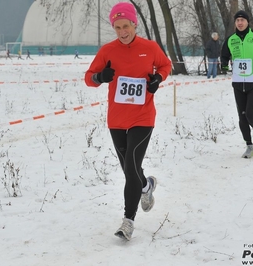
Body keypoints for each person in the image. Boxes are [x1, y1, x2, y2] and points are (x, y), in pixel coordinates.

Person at [84, 2, 172, 241]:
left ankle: (128, 221)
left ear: (135, 24)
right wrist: (100, 77)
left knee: (132, 164)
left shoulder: (149, 47)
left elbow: (166, 65)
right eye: (117, 27)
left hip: (143, 117)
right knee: (128, 169)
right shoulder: (107, 51)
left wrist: (157, 79)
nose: (123, 31)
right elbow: (88, 79)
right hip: (117, 119)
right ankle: (146, 186)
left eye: (126, 26)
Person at [221, 10, 253, 158]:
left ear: (247, 22)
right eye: (237, 20)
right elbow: (224, 55)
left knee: (250, 112)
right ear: (235, 23)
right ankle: (249, 146)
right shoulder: (231, 39)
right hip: (238, 82)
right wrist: (224, 64)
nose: (240, 23)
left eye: (242, 20)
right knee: (242, 117)